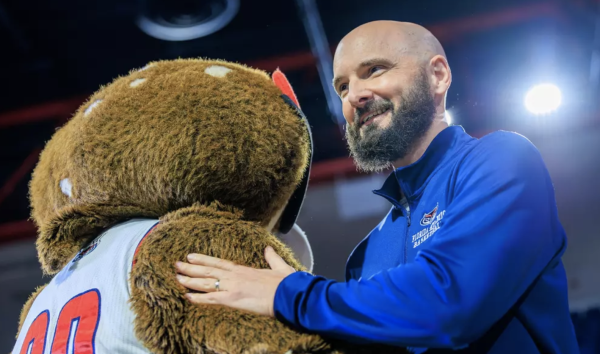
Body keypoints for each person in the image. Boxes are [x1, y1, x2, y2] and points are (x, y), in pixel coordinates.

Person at [175, 21, 580, 353]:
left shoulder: (502, 158)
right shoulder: (366, 254)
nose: (355, 96)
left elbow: (449, 303)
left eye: (374, 70)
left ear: (437, 75)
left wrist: (288, 294)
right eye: (342, 87)